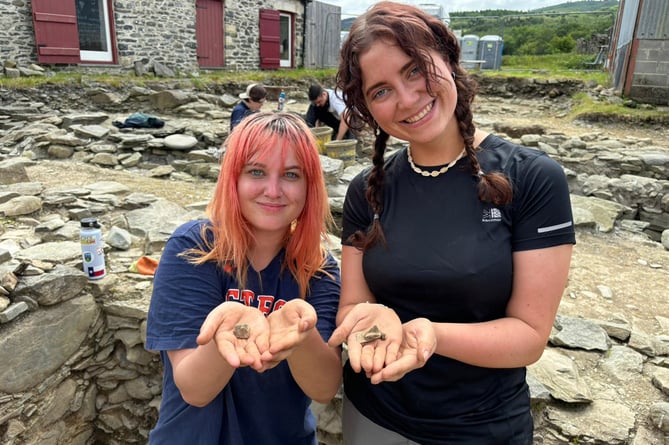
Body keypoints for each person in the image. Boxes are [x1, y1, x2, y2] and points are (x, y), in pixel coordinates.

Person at [327, 2, 576, 444]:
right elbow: (352, 307)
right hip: (373, 415)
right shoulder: (368, 191)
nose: (407, 98)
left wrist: (429, 335)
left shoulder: (533, 178)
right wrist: (370, 316)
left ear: (447, 58)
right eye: (380, 91)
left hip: (481, 427)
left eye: (414, 69)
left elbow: (529, 336)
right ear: (366, 108)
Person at [146, 112, 342, 444]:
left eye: (291, 175)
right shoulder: (194, 248)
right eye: (256, 171)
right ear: (232, 178)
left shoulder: (318, 268)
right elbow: (194, 389)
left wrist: (301, 333)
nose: (273, 190)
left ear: (310, 187)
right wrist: (227, 335)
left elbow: (323, 388)